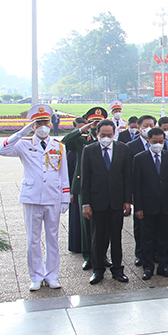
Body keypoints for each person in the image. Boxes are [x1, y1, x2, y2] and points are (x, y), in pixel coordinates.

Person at [0, 105, 70, 291]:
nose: (43, 126)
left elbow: (63, 174)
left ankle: (52, 275)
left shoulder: (59, 146)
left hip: (52, 197)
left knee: (53, 238)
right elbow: (2, 150)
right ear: (33, 126)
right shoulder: (23, 144)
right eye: (38, 123)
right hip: (32, 198)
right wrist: (21, 133)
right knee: (33, 240)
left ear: (51, 124)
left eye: (45, 122)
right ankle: (36, 276)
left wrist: (65, 198)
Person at [81, 119, 132, 284]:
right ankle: (97, 270)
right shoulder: (89, 151)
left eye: (109, 135)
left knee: (116, 237)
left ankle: (117, 269)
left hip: (117, 201)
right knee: (98, 237)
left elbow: (126, 176)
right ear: (97, 134)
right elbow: (86, 179)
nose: (106, 138)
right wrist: (86, 204)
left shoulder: (123, 149)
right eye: (103, 135)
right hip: (97, 201)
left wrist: (127, 200)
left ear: (114, 134)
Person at [62, 107, 109, 271]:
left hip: (104, 186)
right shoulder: (81, 139)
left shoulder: (107, 138)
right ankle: (88, 256)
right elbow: (64, 142)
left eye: (99, 122)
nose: (96, 125)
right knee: (86, 223)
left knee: (105, 223)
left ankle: (102, 255)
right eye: (93, 122)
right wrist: (82, 129)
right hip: (84, 185)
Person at [133, 127, 168, 280]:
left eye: (160, 142)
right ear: (148, 141)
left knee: (164, 237)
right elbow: (137, 185)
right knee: (147, 238)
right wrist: (138, 207)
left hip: (165, 206)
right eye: (154, 142)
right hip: (147, 207)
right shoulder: (139, 158)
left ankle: (163, 266)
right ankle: (148, 268)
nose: (158, 144)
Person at [127, 115, 157, 267]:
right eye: (146, 125)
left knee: (156, 226)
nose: (149, 128)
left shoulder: (159, 144)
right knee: (140, 226)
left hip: (156, 193)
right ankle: (140, 253)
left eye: (152, 125)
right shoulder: (130, 147)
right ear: (139, 128)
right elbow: (126, 172)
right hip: (139, 192)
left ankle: (155, 253)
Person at [66, 117, 85, 254]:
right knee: (76, 219)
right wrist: (69, 191)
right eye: (80, 127)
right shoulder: (75, 142)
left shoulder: (89, 141)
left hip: (88, 186)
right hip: (75, 186)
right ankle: (76, 246)